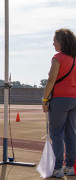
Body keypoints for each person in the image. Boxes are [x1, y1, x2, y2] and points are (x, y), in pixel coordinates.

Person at [42, 28, 76, 178]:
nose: (52, 43)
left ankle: (57, 168)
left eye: (54, 40)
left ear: (61, 41)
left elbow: (51, 80)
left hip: (60, 99)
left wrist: (44, 99)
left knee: (57, 134)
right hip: (74, 99)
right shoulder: (75, 58)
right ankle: (70, 166)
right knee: (71, 134)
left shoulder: (58, 58)